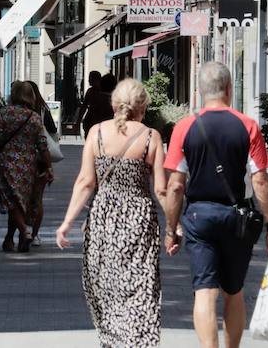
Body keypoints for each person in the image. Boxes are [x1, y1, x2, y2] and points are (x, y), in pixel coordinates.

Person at [161, 62, 268, 348]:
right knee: (234, 290)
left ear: (200, 91)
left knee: (204, 291)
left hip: (198, 217)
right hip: (236, 218)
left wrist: (171, 227)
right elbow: (261, 181)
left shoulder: (184, 127)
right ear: (229, 89)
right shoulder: (247, 125)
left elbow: (176, 185)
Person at [56, 78, 166, 348]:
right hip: (139, 222)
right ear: (143, 107)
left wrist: (67, 222)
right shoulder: (151, 137)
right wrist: (175, 225)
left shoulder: (97, 133)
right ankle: (136, 341)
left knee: (104, 286)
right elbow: (162, 190)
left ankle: (113, 340)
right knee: (140, 287)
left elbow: (85, 182)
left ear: (114, 104)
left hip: (104, 221)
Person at [0, 81, 52, 253]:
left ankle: (24, 232)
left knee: (12, 202)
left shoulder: (5, 113)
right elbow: (43, 146)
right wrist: (48, 167)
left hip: (7, 164)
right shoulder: (34, 117)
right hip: (28, 165)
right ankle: (10, 238)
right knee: (21, 202)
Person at [25, 80, 57, 242]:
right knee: (37, 198)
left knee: (21, 198)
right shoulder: (43, 109)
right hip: (41, 159)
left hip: (21, 160)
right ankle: (35, 234)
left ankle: (23, 230)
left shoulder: (17, 111)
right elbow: (53, 130)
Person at [78, 70, 107, 138]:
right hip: (92, 122)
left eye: (90, 79)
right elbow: (84, 107)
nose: (88, 81)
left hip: (94, 121)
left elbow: (84, 107)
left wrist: (78, 121)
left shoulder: (92, 92)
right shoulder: (91, 91)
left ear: (96, 80)